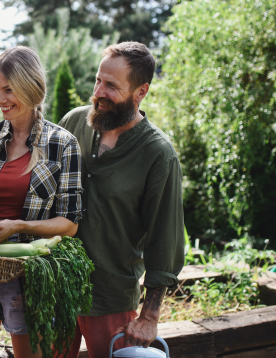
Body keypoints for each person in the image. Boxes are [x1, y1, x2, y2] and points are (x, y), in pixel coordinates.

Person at [0, 46, 83, 358]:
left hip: (30, 275)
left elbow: (70, 224)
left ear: (30, 86)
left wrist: (19, 226)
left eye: (8, 89)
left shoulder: (63, 145)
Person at [58, 42, 185, 357]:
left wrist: (150, 316)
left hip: (110, 297)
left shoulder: (158, 154)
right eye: (98, 80)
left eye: (111, 86)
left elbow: (164, 238)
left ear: (140, 92)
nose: (98, 92)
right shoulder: (74, 123)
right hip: (56, 284)